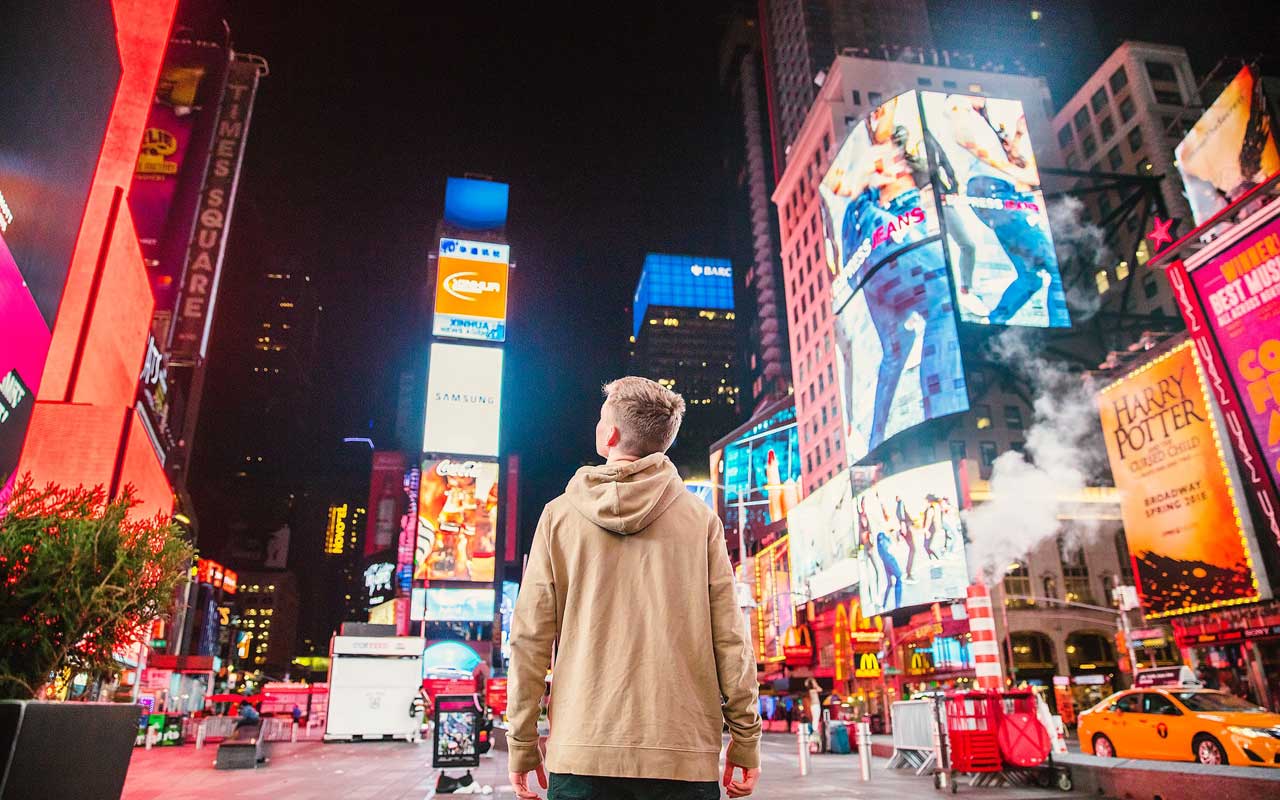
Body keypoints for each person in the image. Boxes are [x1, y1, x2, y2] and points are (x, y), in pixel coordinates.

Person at [507, 377, 762, 800]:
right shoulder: (701, 522)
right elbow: (732, 641)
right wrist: (746, 738)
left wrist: (522, 741)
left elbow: (529, 639)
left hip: (582, 756)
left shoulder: (558, 517)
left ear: (610, 434)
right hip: (682, 758)